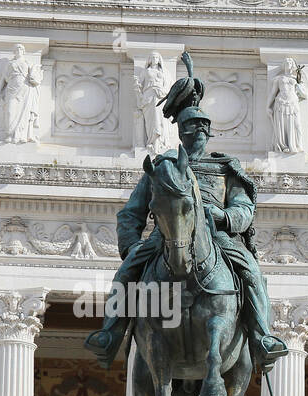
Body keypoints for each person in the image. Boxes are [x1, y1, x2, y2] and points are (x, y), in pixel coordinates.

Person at [85, 60, 286, 373]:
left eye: (204, 128)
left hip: (215, 236)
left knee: (251, 271)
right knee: (126, 273)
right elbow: (131, 214)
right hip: (166, 236)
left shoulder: (223, 168)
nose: (200, 133)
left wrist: (223, 216)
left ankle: (262, 337)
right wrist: (131, 246)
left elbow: (244, 209)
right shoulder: (162, 168)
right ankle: (110, 333)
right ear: (182, 132)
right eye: (193, 129)